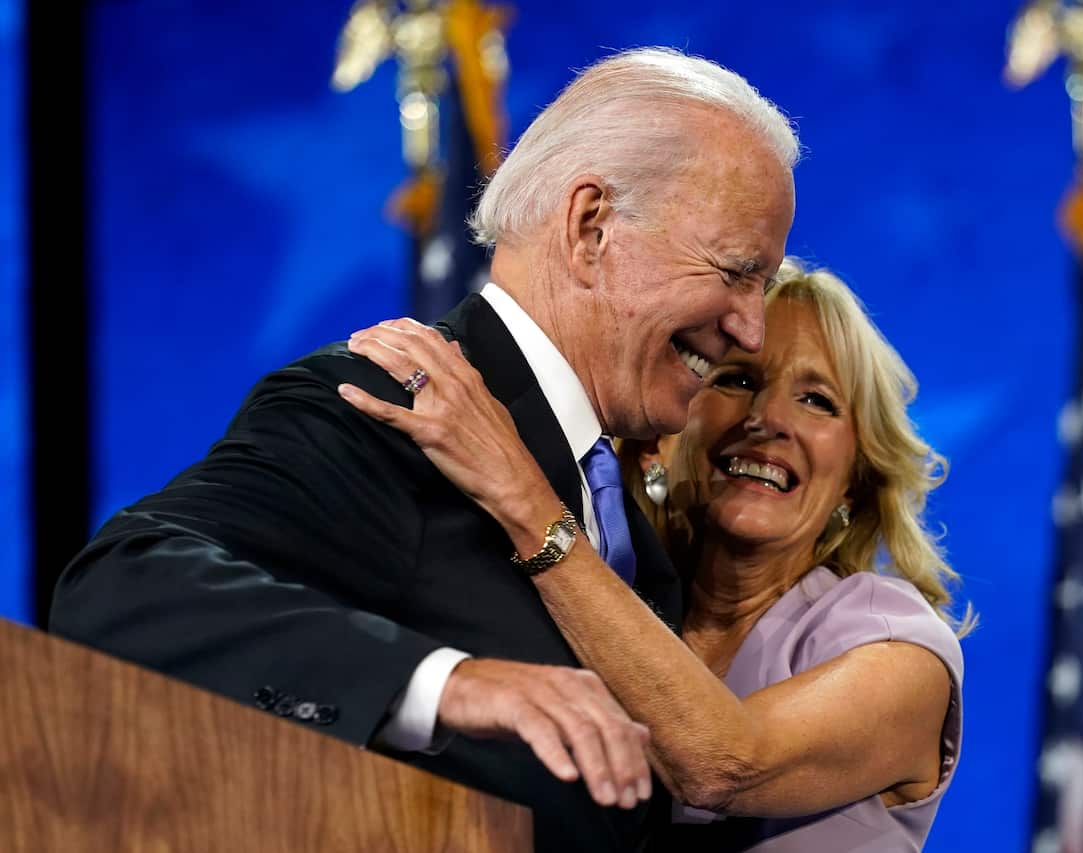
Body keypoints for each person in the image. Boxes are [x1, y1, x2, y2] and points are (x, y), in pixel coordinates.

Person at [48, 47, 798, 852]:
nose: (752, 329)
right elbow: (122, 587)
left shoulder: (625, 514)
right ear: (591, 228)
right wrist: (445, 682)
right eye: (736, 271)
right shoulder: (396, 403)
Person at [340, 258, 973, 851]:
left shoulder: (897, 647)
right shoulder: (611, 597)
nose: (767, 418)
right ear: (666, 441)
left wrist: (524, 502)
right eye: (738, 379)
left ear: (856, 480)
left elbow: (727, 765)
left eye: (816, 401)